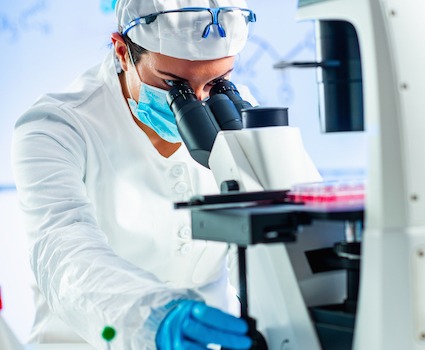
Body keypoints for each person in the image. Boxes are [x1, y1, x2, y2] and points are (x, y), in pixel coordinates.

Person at [11, 0, 258, 349]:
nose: (200, 101)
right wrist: (153, 318)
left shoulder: (242, 115)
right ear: (122, 51)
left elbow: (274, 234)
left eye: (218, 83)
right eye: (174, 84)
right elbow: (64, 251)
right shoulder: (56, 127)